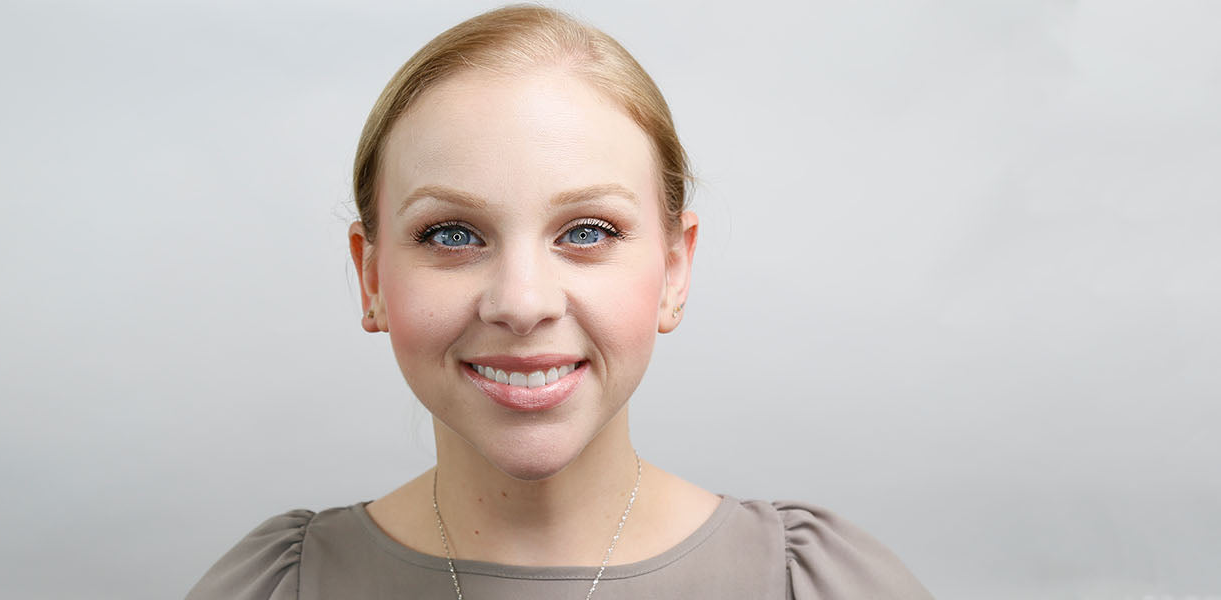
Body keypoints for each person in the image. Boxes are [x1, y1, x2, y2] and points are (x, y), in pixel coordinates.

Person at [187, 5, 933, 599]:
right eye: (452, 233)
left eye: (586, 230)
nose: (521, 302)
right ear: (372, 276)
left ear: (675, 269)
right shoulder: (277, 588)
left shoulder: (813, 585)